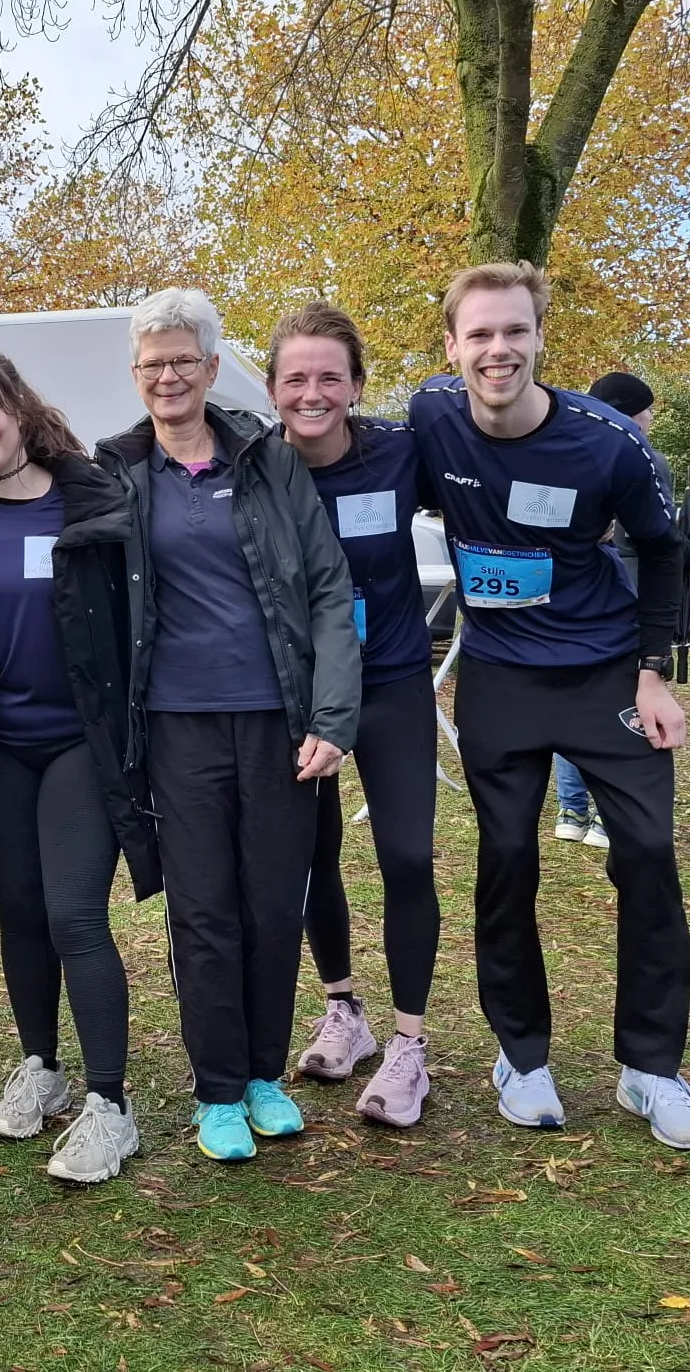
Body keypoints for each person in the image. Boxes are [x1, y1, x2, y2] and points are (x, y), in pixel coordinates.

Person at [413, 262, 690, 1152]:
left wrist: (653, 672)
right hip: (501, 679)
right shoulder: (432, 416)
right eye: (479, 334)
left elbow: (667, 554)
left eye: (514, 332)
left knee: (650, 855)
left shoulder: (611, 442)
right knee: (507, 860)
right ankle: (523, 1054)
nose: (497, 350)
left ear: (541, 339)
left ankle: (651, 1069)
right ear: (452, 346)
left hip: (605, 677)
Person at [96, 289, 360, 1164]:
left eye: (183, 359)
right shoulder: (118, 472)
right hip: (175, 725)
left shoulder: (270, 460)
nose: (167, 376)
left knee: (273, 901)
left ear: (212, 369)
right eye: (151, 363)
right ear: (135, 376)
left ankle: (261, 1076)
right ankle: (215, 1089)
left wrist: (332, 716)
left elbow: (326, 589)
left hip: (281, 720)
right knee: (203, 907)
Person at [0, 347, 153, 1183]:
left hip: (82, 742)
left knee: (75, 914)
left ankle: (111, 1106)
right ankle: (42, 1067)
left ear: (18, 409)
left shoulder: (90, 499)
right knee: (19, 910)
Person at [265, 302, 438, 1128]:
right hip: (300, 696)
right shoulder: (260, 468)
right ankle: (345, 1010)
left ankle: (410, 1044)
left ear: (357, 385)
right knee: (309, 855)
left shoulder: (402, 454)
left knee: (406, 856)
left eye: (329, 376)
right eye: (295, 377)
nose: (312, 392)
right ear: (271, 390)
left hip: (393, 682)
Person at [550, 372, 675, 851]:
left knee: (566, 700)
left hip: (571, 597)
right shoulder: (642, 456)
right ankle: (605, 813)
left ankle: (571, 807)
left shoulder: (564, 449)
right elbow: (662, 540)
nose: (648, 422)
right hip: (625, 592)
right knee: (622, 704)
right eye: (646, 413)